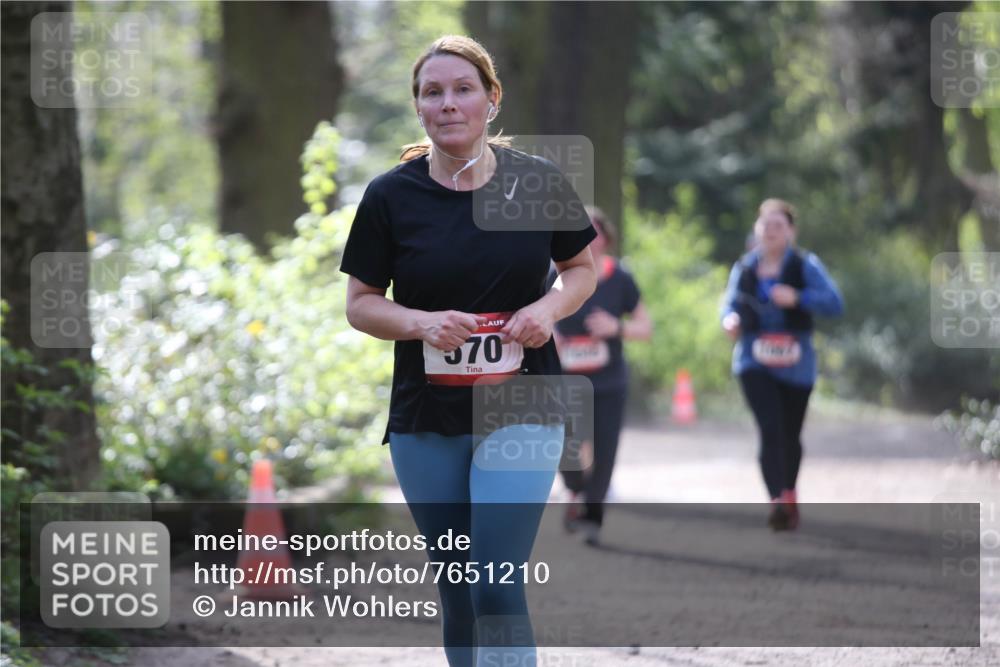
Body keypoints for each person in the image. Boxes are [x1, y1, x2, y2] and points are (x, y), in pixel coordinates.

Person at [339, 35, 597, 667]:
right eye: (433, 92)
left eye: (462, 89)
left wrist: (546, 309)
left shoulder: (537, 182)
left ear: (490, 98)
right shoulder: (390, 197)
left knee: (494, 581)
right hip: (427, 414)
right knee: (456, 588)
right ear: (419, 107)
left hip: (523, 403)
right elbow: (361, 303)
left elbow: (581, 271)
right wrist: (422, 323)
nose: (448, 103)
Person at [721, 198, 844, 530]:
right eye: (766, 225)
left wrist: (799, 298)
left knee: (790, 434)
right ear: (757, 230)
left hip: (797, 365)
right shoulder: (744, 267)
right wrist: (730, 320)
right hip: (753, 361)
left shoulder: (806, 265)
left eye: (779, 225)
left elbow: (835, 302)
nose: (771, 231)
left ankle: (789, 493)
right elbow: (728, 306)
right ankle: (776, 499)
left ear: (791, 231)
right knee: (769, 428)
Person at [554, 207, 652, 545]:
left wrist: (615, 327)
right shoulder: (553, 275)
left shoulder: (620, 278)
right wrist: (548, 330)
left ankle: (593, 518)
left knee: (605, 450)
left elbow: (645, 327)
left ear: (606, 240)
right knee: (565, 447)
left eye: (594, 234)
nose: (588, 241)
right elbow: (532, 312)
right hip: (564, 380)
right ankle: (574, 491)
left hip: (609, 382)